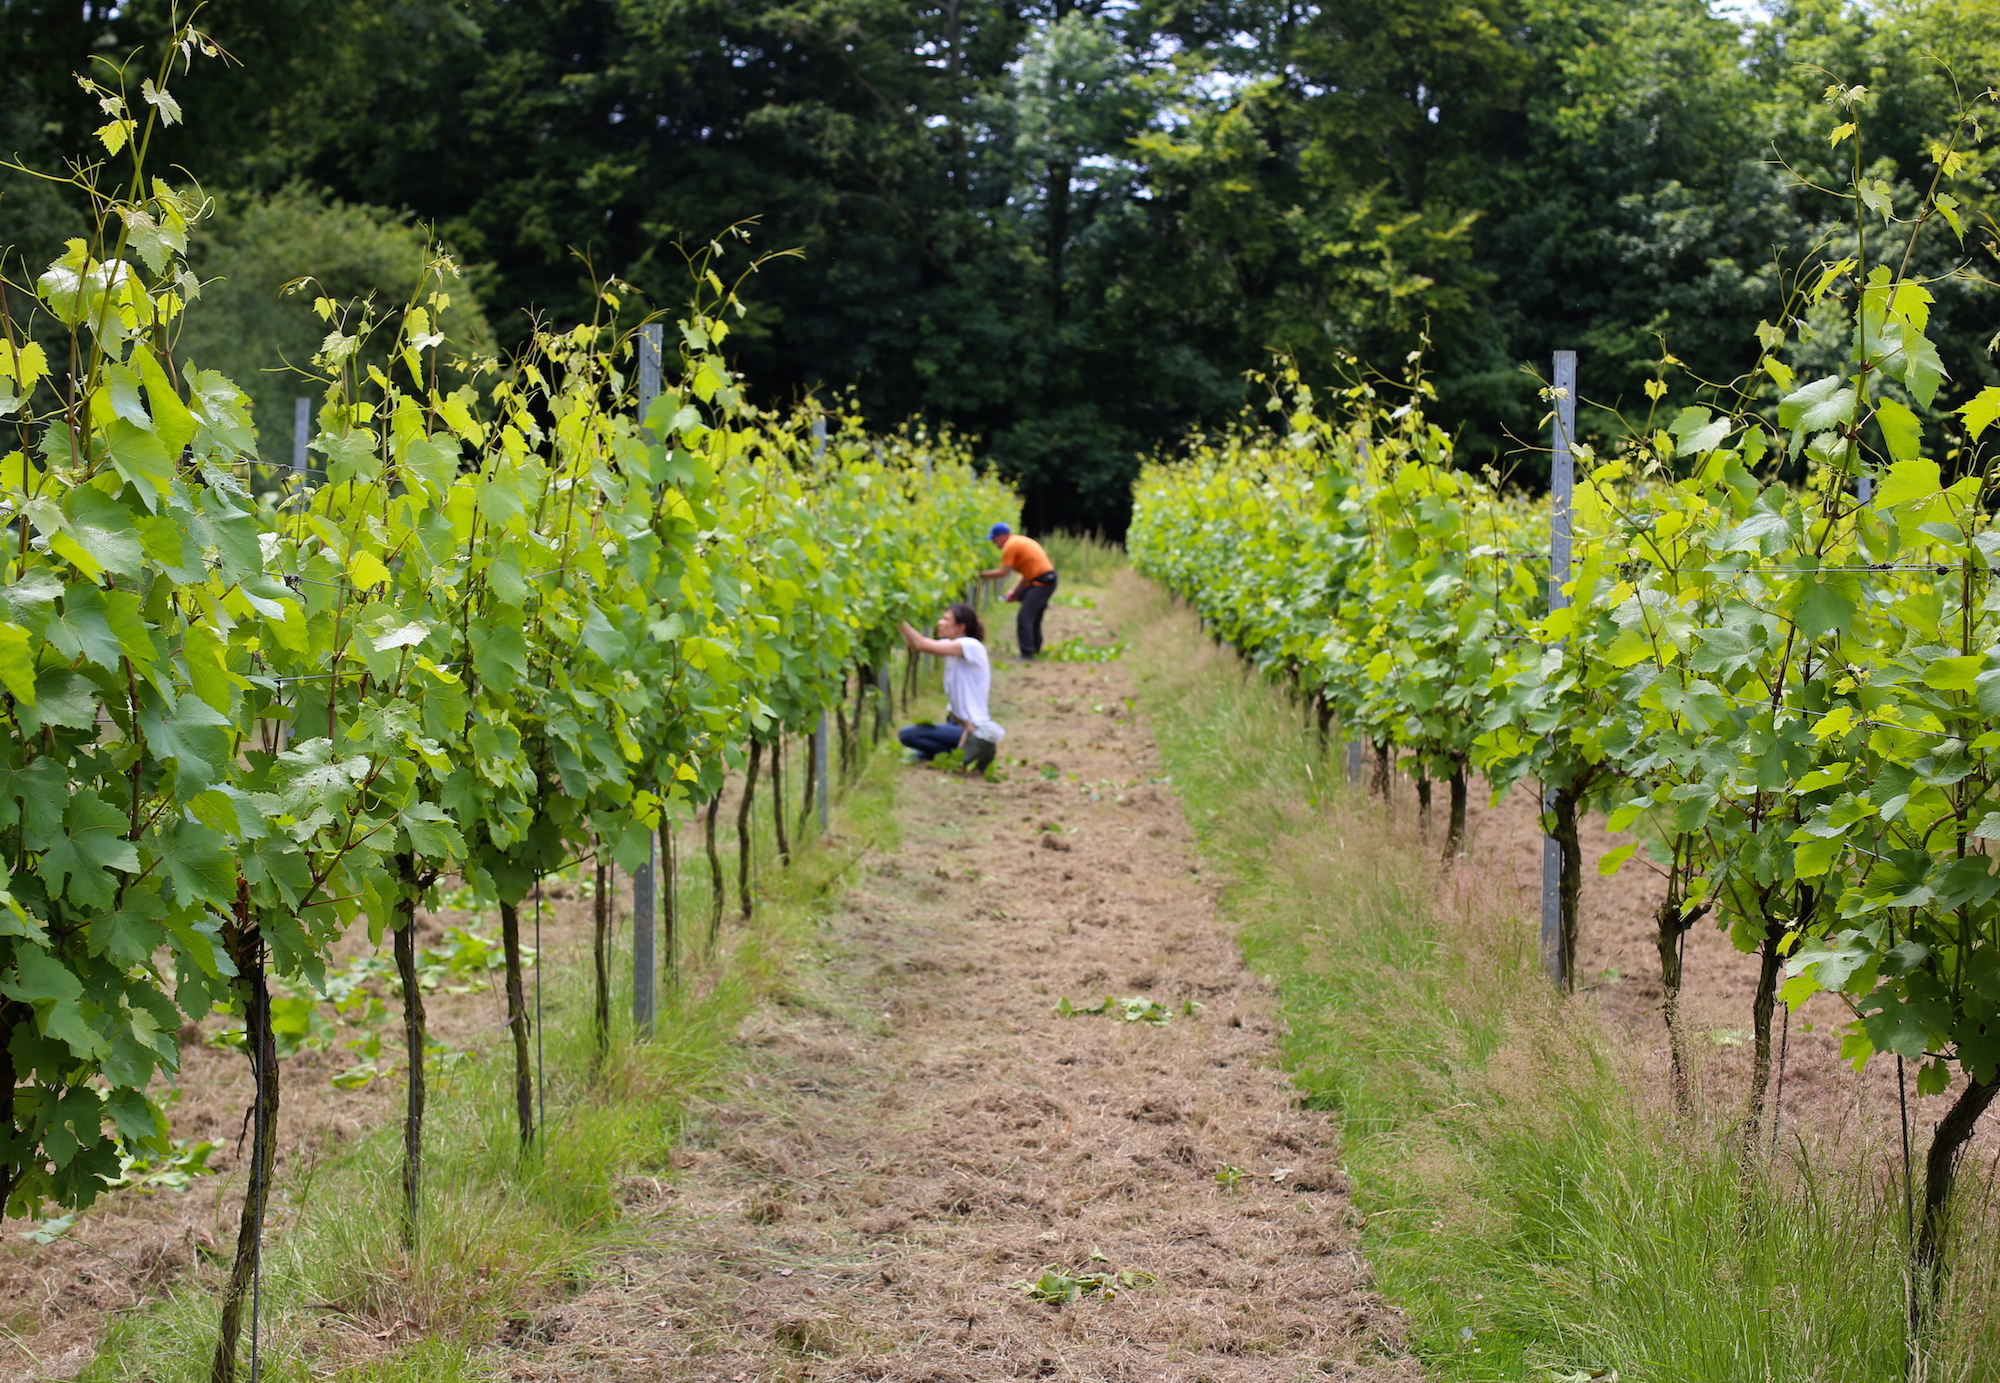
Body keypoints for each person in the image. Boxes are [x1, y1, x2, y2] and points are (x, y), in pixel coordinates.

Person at [897, 603, 1006, 771]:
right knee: (917, 754)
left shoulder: (970, 645)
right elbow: (914, 643)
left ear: (960, 627)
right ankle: (966, 753)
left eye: (946, 619)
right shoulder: (953, 644)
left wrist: (897, 617)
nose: (940, 623)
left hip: (973, 727)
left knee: (908, 735)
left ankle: (974, 749)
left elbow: (920, 643)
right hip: (955, 724)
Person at [978, 522, 1058, 658]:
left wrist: (980, 575)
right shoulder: (1019, 541)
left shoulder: (1010, 546)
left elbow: (1003, 572)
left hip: (1042, 582)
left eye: (994, 539)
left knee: (1025, 617)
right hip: (1045, 580)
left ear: (1002, 536)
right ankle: (1035, 649)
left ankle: (1027, 653)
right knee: (1034, 617)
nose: (993, 543)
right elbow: (1026, 573)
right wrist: (1014, 591)